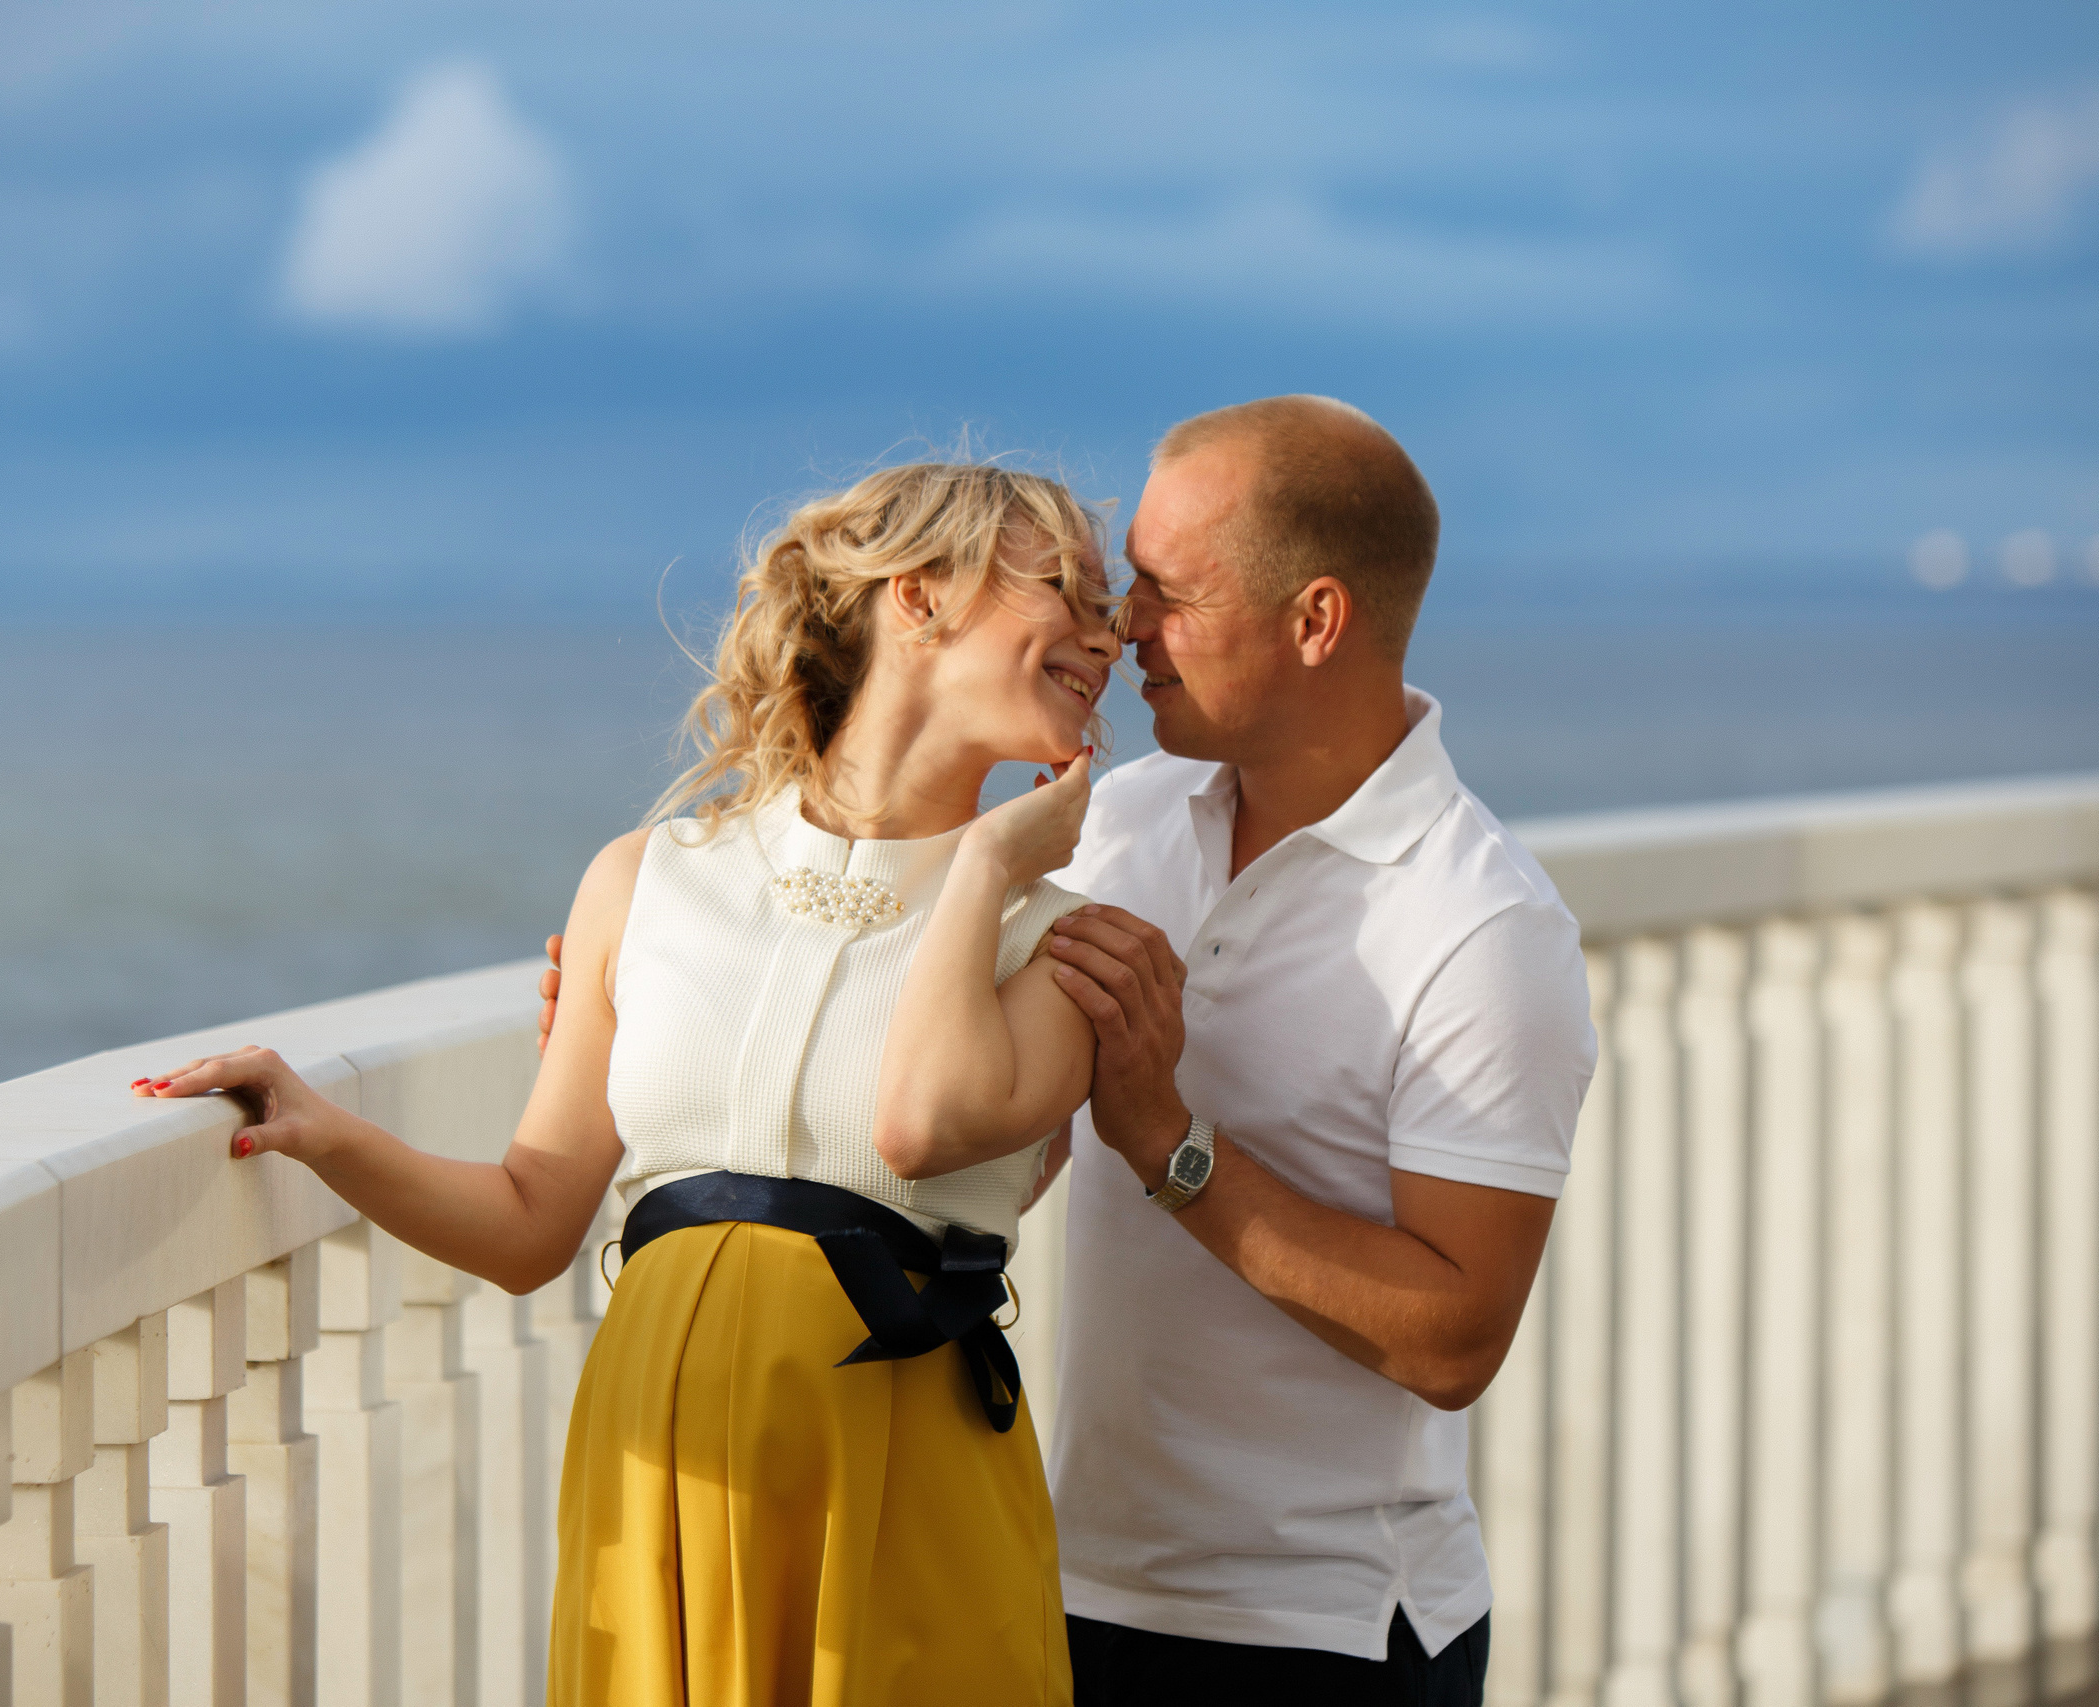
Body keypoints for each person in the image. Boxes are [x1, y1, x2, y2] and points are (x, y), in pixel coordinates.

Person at [133, 462, 1123, 1705]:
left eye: (1116, 604)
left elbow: (922, 1131)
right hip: (656, 1465)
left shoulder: (1063, 941)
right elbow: (529, 1220)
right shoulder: (645, 880)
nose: (1111, 629)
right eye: (1069, 586)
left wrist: (982, 871)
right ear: (918, 594)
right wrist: (324, 1132)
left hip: (904, 1476)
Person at [1036, 397, 1597, 1705]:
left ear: (1316, 619)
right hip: (1074, 1586)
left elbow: (1454, 1336)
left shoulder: (1480, 925)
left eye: (1165, 591)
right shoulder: (1121, 818)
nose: (1123, 628)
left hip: (1327, 1640)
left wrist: (1163, 1139)